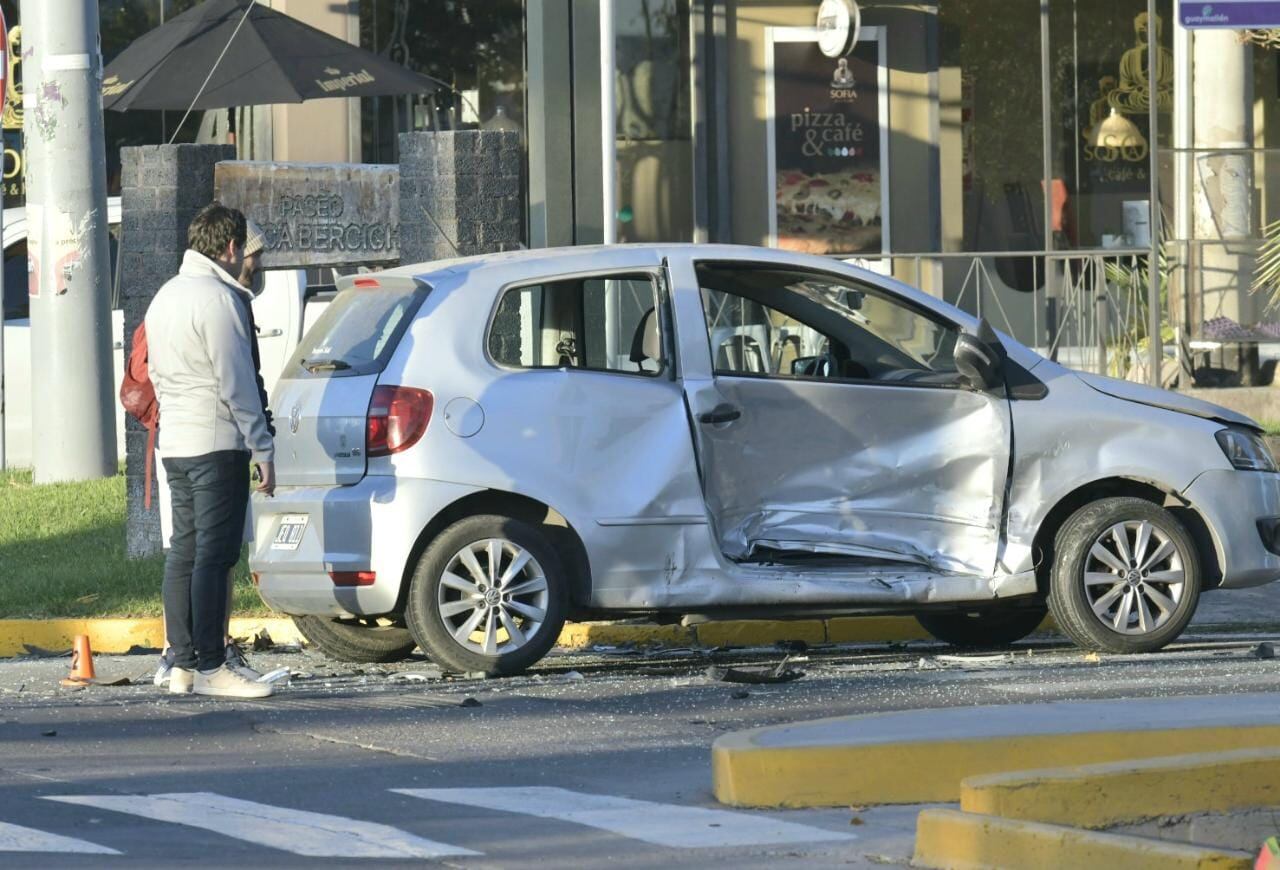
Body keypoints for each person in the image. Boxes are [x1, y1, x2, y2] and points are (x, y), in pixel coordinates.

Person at [145, 202, 276, 699]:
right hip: (217, 441)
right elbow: (237, 382)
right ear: (230, 247)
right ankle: (213, 665)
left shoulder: (165, 297)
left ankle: (181, 664)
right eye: (242, 248)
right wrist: (262, 447)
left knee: (183, 552)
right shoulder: (218, 298)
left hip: (176, 442)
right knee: (214, 558)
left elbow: (156, 373)